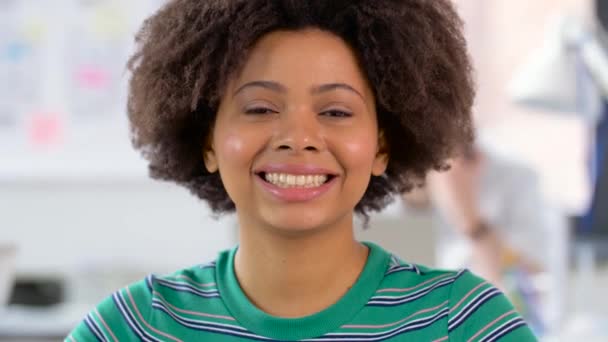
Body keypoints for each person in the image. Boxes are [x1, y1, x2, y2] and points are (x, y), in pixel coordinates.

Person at [67, 0, 537, 340]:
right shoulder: (132, 328)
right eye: (259, 108)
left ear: (382, 145)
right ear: (207, 140)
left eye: (335, 111)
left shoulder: (465, 323)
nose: (298, 137)